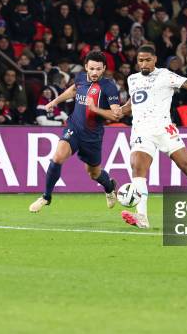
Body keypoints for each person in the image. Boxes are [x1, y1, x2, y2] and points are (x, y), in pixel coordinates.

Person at [118, 45, 187, 229]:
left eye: (147, 59)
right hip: (142, 131)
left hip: (164, 130)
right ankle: (142, 217)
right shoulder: (132, 79)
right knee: (137, 168)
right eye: (140, 60)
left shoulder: (165, 75)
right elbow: (134, 103)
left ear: (155, 59)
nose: (144, 63)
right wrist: (116, 111)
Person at [29, 51, 121, 213]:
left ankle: (109, 186)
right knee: (57, 157)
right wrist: (55, 101)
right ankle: (46, 197)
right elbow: (72, 90)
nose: (94, 72)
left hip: (93, 136)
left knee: (93, 173)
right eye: (91, 68)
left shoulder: (109, 87)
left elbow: (116, 114)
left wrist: (95, 109)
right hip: (74, 128)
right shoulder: (80, 78)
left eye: (98, 69)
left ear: (104, 69)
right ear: (86, 67)